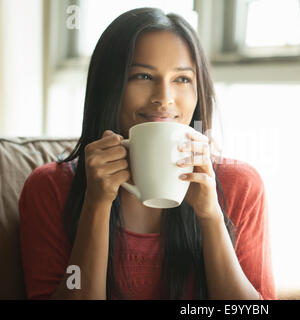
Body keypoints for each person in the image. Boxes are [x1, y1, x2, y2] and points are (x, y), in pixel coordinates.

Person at [18, 7, 275, 300]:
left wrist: (211, 217)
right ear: (109, 86)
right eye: (142, 76)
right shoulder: (50, 188)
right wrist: (96, 204)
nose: (163, 98)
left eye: (182, 79)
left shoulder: (240, 186)